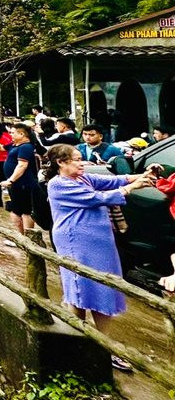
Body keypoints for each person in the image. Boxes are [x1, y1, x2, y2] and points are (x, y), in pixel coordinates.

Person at [44, 144, 158, 371]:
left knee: (104, 288)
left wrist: (144, 175)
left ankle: (103, 344)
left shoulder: (83, 178)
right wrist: (133, 187)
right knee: (79, 288)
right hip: (76, 241)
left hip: (100, 241)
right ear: (61, 163)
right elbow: (98, 198)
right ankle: (80, 341)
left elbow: (115, 180)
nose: (81, 163)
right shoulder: (58, 185)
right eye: (76, 159)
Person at [0, 123, 40, 235]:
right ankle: (21, 237)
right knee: (16, 210)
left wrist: (10, 180)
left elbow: (22, 165)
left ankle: (28, 238)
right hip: (16, 184)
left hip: (23, 184)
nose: (11, 135)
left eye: (13, 133)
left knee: (25, 211)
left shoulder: (26, 147)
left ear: (22, 134)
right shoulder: (15, 145)